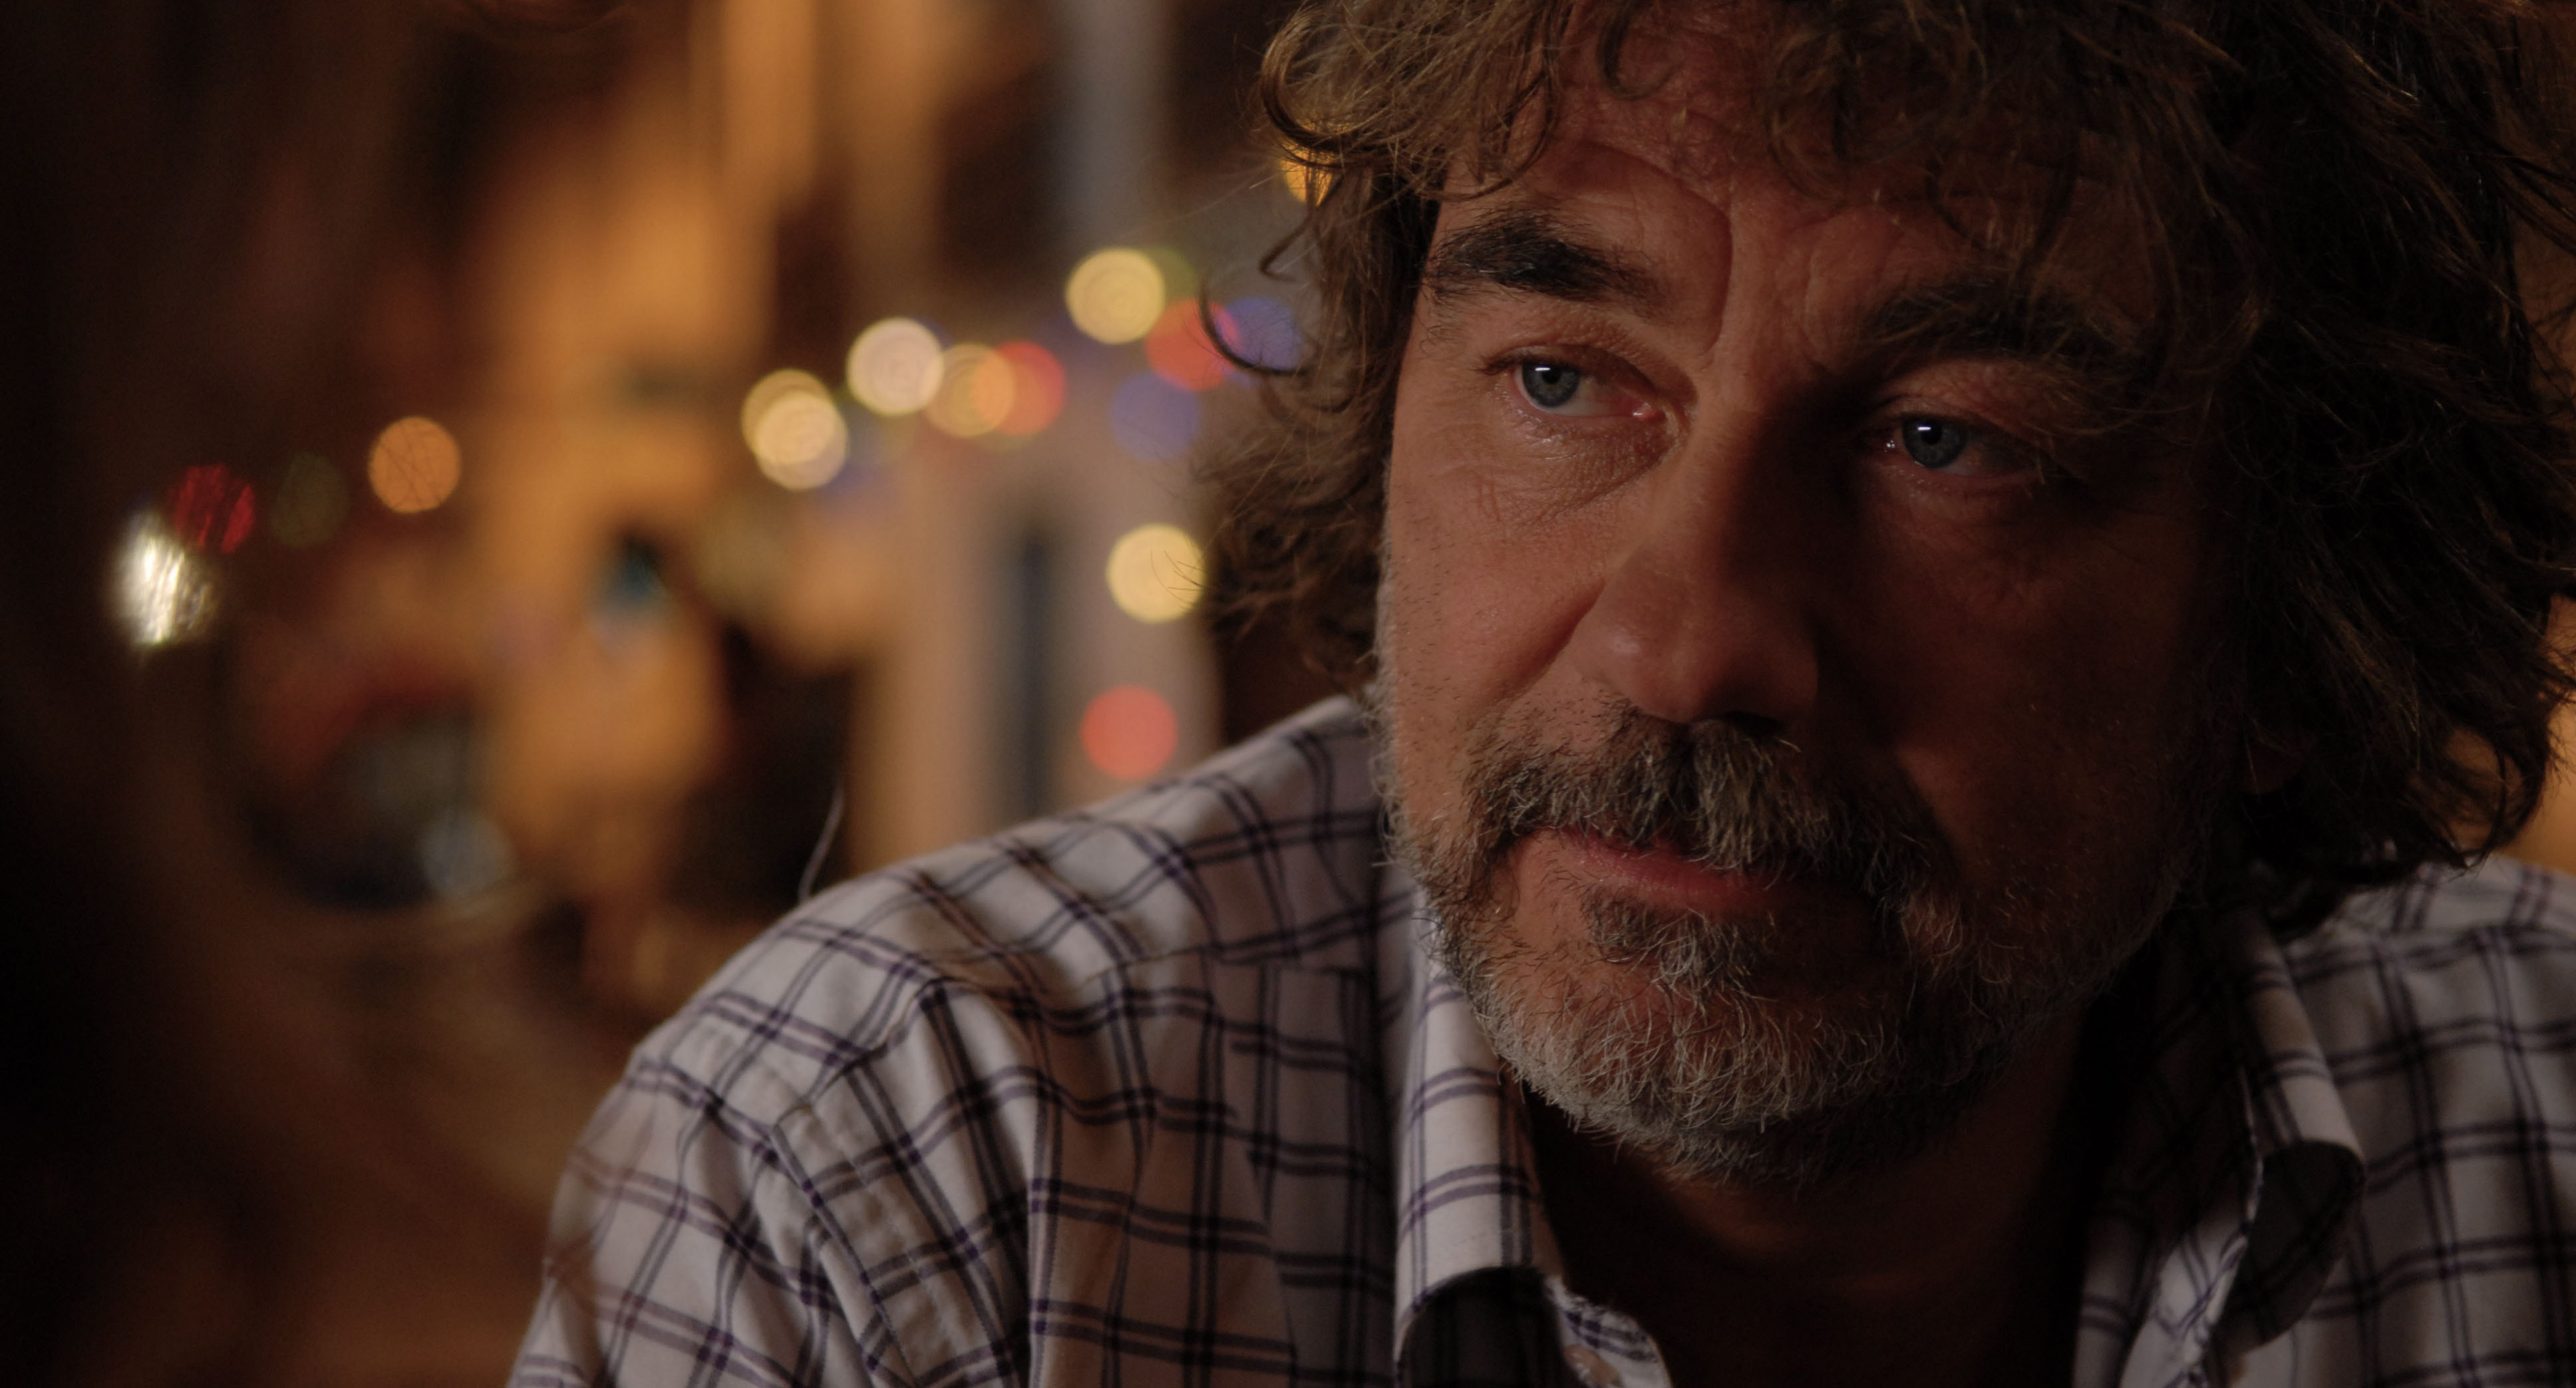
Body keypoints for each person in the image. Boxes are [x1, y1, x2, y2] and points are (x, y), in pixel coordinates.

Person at [510, 1, 2576, 1383]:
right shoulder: (905, 1180)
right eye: (1565, 382)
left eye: (1946, 442)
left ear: (2292, 618)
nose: (1686, 645)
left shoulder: (2543, 1126)